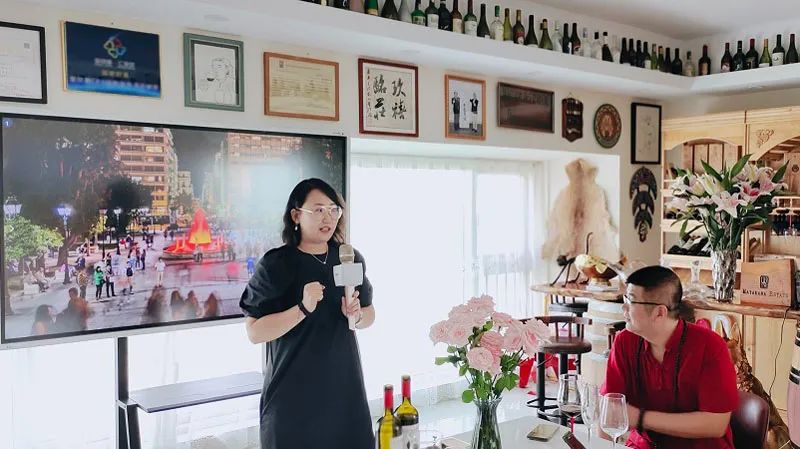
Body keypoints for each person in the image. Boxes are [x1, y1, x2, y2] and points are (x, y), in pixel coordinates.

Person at [240, 178, 375, 449]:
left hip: (345, 391)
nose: (328, 217)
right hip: (293, 398)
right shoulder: (276, 264)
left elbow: (370, 313)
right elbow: (255, 332)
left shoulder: (348, 257)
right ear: (296, 215)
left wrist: (357, 315)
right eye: (318, 210)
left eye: (334, 210)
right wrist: (302, 309)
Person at [601, 266, 738, 449]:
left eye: (631, 301)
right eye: (625, 299)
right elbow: (609, 410)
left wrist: (640, 418)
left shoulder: (710, 346)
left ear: (660, 312)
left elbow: (715, 424)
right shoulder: (624, 341)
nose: (623, 307)